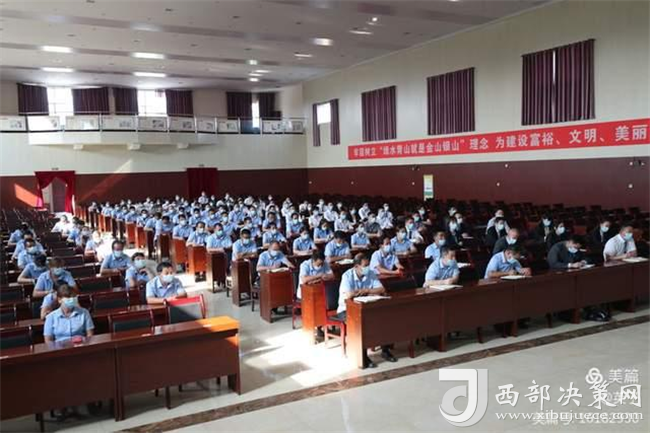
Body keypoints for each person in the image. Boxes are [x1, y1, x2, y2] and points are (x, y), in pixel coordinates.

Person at [335, 253, 393, 367]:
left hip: (366, 308)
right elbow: (349, 294)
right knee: (362, 324)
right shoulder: (347, 276)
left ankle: (385, 350)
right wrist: (365, 292)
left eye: (368, 265)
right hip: (346, 310)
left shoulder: (370, 273)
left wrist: (366, 290)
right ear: (356, 266)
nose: (368, 268)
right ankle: (363, 356)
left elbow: (381, 289)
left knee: (384, 318)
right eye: (365, 266)